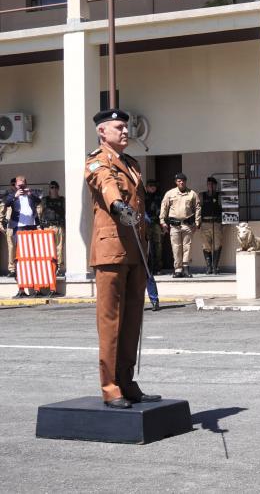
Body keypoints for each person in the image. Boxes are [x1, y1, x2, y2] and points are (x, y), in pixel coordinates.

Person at [85, 109, 160, 409]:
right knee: (111, 321)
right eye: (119, 127)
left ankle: (127, 381)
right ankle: (110, 386)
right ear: (103, 132)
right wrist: (117, 205)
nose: (126, 131)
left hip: (135, 251)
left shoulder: (131, 163)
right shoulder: (97, 161)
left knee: (132, 320)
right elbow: (105, 184)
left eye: (126, 127)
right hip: (110, 251)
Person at [5, 176, 42, 296]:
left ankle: (37, 288)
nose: (21, 187)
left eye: (23, 185)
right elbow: (6, 203)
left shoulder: (30, 194)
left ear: (26, 184)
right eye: (19, 185)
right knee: (21, 258)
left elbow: (39, 201)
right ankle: (21, 289)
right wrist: (15, 195)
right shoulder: (13, 196)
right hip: (19, 228)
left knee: (34, 256)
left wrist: (30, 193)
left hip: (31, 227)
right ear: (15, 185)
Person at [160, 173, 201, 278]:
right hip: (175, 225)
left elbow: (197, 208)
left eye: (183, 180)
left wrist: (197, 222)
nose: (181, 182)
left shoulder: (192, 194)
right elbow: (164, 207)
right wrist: (162, 221)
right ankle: (178, 269)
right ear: (176, 182)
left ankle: (186, 268)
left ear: (186, 181)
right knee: (176, 247)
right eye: (179, 181)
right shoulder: (170, 193)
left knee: (187, 247)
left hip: (187, 224)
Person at [40, 180, 66, 276]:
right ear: (49, 189)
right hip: (47, 227)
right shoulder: (44, 200)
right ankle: (50, 267)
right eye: (51, 187)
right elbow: (39, 213)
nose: (53, 189)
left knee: (59, 248)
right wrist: (40, 226)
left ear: (58, 189)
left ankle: (58, 267)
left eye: (55, 187)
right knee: (48, 248)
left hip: (59, 226)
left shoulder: (62, 200)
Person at [200, 176, 224, 274]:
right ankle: (209, 267)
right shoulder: (202, 195)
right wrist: (198, 222)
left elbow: (224, 209)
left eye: (212, 184)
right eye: (209, 184)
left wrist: (224, 222)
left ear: (215, 185)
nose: (210, 186)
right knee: (206, 246)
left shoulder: (219, 196)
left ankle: (215, 267)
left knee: (217, 245)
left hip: (217, 223)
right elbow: (198, 210)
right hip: (205, 223)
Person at [144, 180, 163, 275]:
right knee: (148, 246)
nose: (153, 188)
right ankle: (149, 267)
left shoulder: (159, 197)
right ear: (147, 187)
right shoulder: (143, 196)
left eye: (154, 186)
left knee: (158, 246)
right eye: (151, 186)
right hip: (147, 223)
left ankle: (158, 268)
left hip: (156, 223)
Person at [1, 178, 15, 277]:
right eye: (12, 184)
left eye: (16, 184)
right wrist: (0, 224)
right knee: (11, 248)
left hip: (22, 226)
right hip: (10, 226)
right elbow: (1, 212)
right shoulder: (7, 197)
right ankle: (12, 269)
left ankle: (22, 268)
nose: (14, 185)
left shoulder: (23, 195)